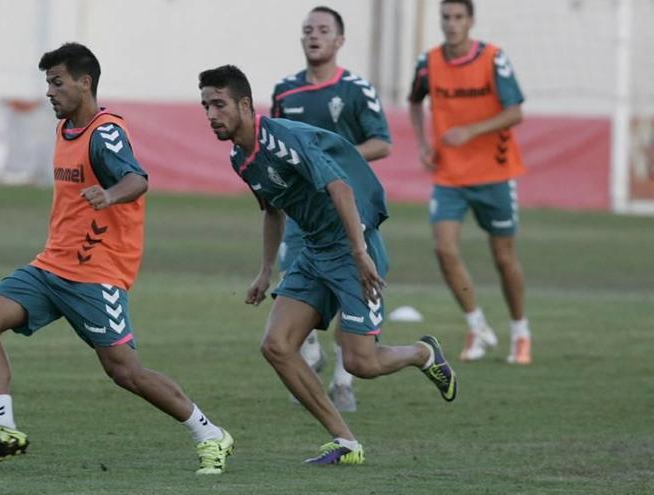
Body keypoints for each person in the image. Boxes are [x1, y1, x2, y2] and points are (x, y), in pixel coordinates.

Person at [0, 42, 233, 475]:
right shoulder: (64, 126)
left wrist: (108, 195)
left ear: (84, 82)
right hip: (50, 267)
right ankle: (2, 430)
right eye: (47, 83)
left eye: (57, 82)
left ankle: (210, 434)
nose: (49, 92)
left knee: (125, 371)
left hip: (96, 275)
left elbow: (136, 179)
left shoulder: (105, 131)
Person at [199, 64, 456, 465]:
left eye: (218, 105)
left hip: (353, 248)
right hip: (314, 252)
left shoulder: (282, 140)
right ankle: (346, 442)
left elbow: (340, 186)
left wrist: (359, 251)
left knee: (360, 362)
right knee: (276, 346)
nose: (211, 115)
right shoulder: (240, 158)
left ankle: (423, 354)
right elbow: (272, 210)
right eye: (205, 107)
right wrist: (266, 270)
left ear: (245, 105)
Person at [271, 5, 393, 412]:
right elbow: (276, 146)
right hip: (301, 209)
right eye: (308, 30)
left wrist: (336, 161)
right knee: (291, 278)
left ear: (339, 41)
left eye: (323, 30)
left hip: (346, 208)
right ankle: (308, 354)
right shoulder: (285, 91)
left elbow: (383, 142)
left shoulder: (357, 89)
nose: (314, 36)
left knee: (349, 285)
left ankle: (343, 381)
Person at [408, 0, 531, 364]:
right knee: (444, 249)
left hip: (495, 172)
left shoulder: (493, 58)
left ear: (471, 21)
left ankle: (520, 331)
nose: (451, 24)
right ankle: (476, 326)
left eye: (459, 17)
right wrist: (423, 144)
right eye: (446, 17)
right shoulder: (428, 62)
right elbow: (415, 102)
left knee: (504, 258)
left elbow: (515, 112)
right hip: (450, 175)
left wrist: (471, 131)